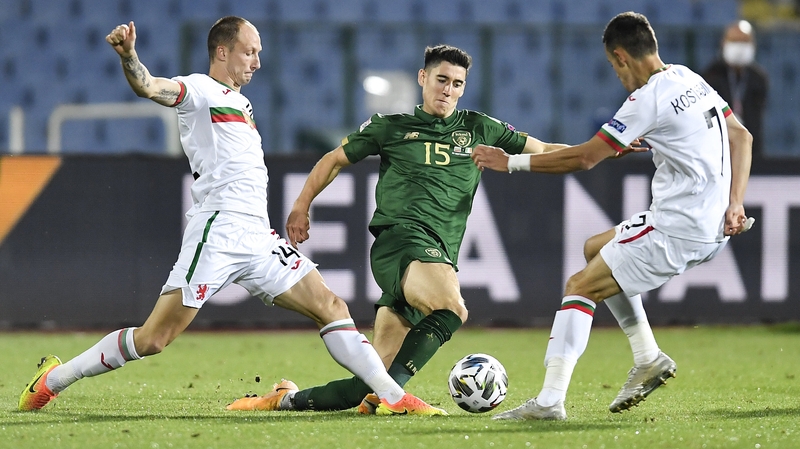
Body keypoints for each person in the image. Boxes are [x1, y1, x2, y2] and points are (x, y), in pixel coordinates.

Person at [18, 16, 445, 417]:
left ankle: (393, 397)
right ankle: (52, 379)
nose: (257, 61)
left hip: (257, 237)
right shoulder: (200, 89)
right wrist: (130, 56)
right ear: (222, 52)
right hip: (217, 231)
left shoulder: (240, 103)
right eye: (249, 52)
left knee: (331, 306)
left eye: (258, 53)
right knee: (153, 339)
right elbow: (151, 87)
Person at [225, 44, 570, 413]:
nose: (448, 90)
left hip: (437, 254)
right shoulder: (391, 127)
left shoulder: (477, 127)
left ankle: (284, 399)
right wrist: (301, 205)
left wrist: (600, 149)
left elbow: (544, 148)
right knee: (452, 308)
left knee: (368, 385)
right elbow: (334, 159)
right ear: (423, 78)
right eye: (441, 80)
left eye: (457, 83)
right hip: (402, 242)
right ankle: (397, 398)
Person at [471, 11, 752, 420]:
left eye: (612, 66)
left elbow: (585, 158)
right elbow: (741, 135)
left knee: (580, 287)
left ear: (621, 57)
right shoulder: (689, 78)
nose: (617, 76)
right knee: (594, 249)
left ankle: (549, 400)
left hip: (678, 227)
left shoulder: (646, 99)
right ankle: (648, 356)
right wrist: (737, 201)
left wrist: (508, 163)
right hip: (714, 222)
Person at [702, 20, 768, 161]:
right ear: (723, 43)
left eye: (744, 41)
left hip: (751, 151)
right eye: (734, 41)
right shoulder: (709, 77)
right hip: (717, 152)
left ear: (753, 44)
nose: (739, 47)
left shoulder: (759, 78)